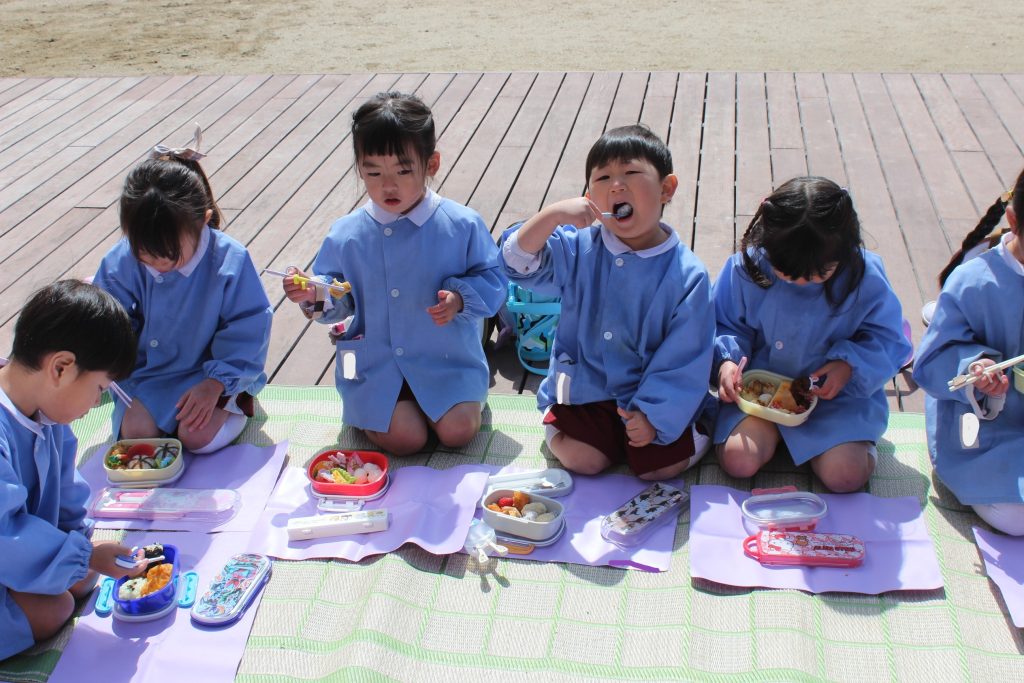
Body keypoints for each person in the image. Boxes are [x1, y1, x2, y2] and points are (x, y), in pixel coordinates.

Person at [282, 92, 504, 456]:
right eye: (373, 172)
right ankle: (375, 411)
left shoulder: (461, 224)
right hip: (375, 363)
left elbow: (494, 280)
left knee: (459, 430)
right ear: (359, 168)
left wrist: (460, 299)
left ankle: (439, 405)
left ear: (431, 164)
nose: (388, 185)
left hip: (447, 358)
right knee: (406, 439)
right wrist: (313, 293)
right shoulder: (347, 233)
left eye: (403, 171)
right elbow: (338, 298)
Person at [499, 124, 715, 481]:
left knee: (658, 469)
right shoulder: (578, 245)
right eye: (603, 178)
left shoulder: (687, 275)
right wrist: (552, 216)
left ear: (666, 188)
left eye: (630, 173)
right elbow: (517, 262)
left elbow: (684, 357)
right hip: (588, 388)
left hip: (659, 395)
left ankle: (700, 424)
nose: (616, 186)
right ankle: (572, 427)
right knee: (582, 460)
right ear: (589, 198)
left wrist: (654, 417)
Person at [713, 177, 910, 492]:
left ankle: (850, 444)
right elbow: (725, 323)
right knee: (738, 460)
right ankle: (776, 436)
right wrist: (727, 362)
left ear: (846, 248)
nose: (800, 282)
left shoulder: (865, 278)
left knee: (846, 476)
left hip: (834, 400)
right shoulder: (746, 267)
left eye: (818, 274)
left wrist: (848, 365)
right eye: (785, 271)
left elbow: (888, 339)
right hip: (760, 392)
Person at [92, 127, 273, 453]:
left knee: (196, 437)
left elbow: (249, 325)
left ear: (203, 220)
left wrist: (216, 383)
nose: (158, 263)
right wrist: (99, 367)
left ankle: (238, 404)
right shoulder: (120, 260)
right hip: (150, 373)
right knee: (136, 435)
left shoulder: (229, 259)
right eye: (145, 253)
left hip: (211, 372)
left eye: (169, 255)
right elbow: (105, 325)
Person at [0, 281, 144, 658]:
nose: (96, 402)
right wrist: (83, 556)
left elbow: (66, 496)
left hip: (18, 554)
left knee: (81, 576)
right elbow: (4, 533)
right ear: (61, 367)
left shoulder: (47, 415)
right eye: (100, 388)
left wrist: (82, 549)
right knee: (55, 608)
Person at [914, 170, 1024, 535]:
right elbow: (932, 361)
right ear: (1014, 221)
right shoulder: (975, 281)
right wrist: (976, 369)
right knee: (1016, 517)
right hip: (990, 433)